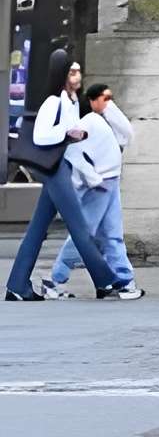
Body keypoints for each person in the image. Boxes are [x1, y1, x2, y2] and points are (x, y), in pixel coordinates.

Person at [5, 50, 119, 303]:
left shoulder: (71, 102)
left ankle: (17, 285)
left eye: (78, 71)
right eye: (72, 71)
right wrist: (69, 132)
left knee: (37, 230)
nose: (77, 76)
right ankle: (105, 281)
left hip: (60, 167)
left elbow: (73, 148)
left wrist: (91, 176)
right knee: (79, 228)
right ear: (62, 74)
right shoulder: (53, 102)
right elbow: (42, 137)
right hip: (54, 170)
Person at [46, 80, 140, 300]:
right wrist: (93, 178)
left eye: (111, 98)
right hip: (100, 186)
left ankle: (124, 281)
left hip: (110, 182)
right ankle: (56, 279)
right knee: (84, 236)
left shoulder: (104, 121)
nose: (109, 102)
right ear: (91, 101)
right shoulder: (87, 122)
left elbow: (127, 134)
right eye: (104, 98)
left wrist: (109, 108)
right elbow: (71, 152)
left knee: (112, 235)